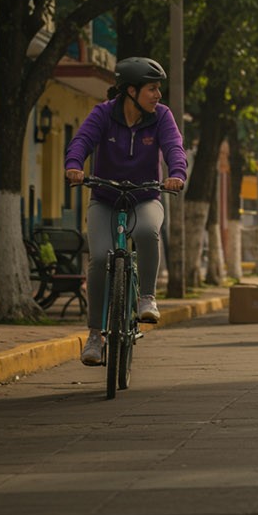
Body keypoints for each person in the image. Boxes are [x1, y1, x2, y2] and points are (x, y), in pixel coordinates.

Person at [65, 57, 187, 366]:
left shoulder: (161, 116)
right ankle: (95, 335)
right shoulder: (103, 114)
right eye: (152, 89)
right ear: (130, 91)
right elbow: (82, 141)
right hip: (105, 197)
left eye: (159, 89)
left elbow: (174, 146)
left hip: (145, 195)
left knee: (147, 231)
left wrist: (177, 173)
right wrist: (74, 166)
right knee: (99, 258)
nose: (158, 95)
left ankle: (146, 296)